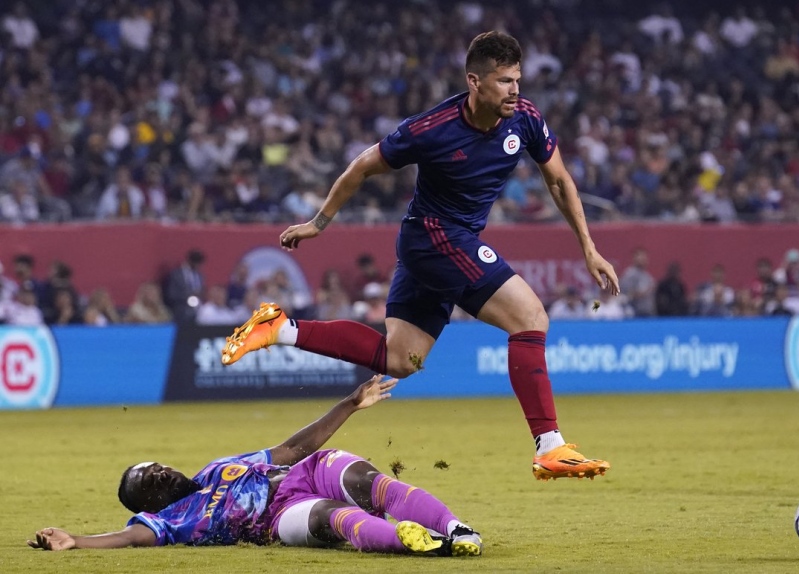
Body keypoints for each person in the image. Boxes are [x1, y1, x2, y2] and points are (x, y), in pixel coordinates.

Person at [221, 31, 619, 481]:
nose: (515, 90)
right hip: (436, 237)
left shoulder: (524, 119)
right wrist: (319, 223)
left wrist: (589, 247)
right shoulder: (431, 129)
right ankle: (549, 446)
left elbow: (560, 181)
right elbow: (361, 168)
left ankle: (279, 328)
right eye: (505, 81)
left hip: (433, 243)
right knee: (531, 318)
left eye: (518, 80)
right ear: (475, 81)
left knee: (400, 360)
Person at [28, 375, 483, 557]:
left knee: (370, 482)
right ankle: (428, 547)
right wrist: (77, 541)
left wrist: (349, 403)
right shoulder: (170, 522)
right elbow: (128, 537)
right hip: (276, 518)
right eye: (151, 478)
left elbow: (290, 450)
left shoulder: (217, 469)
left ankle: (458, 530)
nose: (162, 470)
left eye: (158, 464)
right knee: (332, 518)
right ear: (149, 501)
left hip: (303, 475)